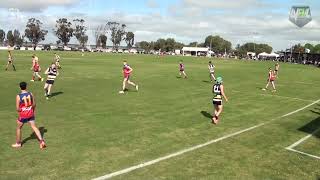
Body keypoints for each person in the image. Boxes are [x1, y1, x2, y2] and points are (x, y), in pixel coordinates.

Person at [12, 82, 46, 149]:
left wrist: (22, 110)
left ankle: (18, 143)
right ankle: (41, 141)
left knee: (19, 128)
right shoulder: (31, 94)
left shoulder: (18, 96)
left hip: (23, 115)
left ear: (20, 87)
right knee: (34, 127)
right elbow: (34, 104)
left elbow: (17, 109)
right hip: (31, 113)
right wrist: (32, 110)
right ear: (26, 87)